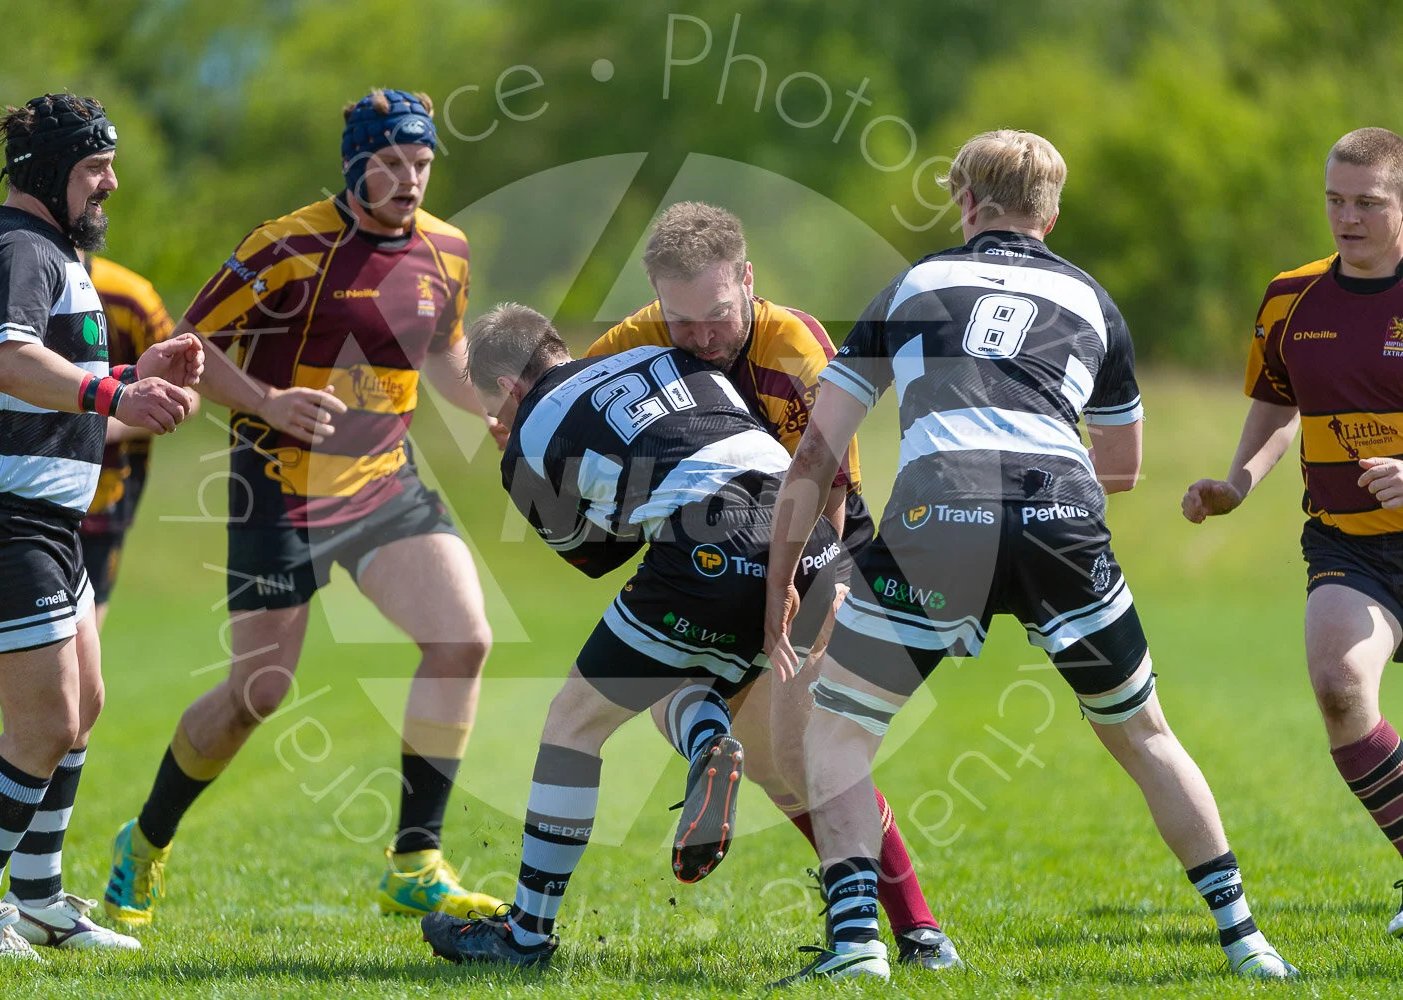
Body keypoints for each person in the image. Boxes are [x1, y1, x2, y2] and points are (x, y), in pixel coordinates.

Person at [764, 130, 1296, 983]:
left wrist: (785, 574)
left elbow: (816, 456)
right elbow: (1120, 469)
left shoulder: (911, 286)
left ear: (964, 202)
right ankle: (1247, 942)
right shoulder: (1093, 302)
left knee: (841, 729)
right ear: (1051, 212)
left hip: (936, 515)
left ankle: (859, 944)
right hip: (1062, 518)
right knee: (1144, 734)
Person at [103, 88, 503, 925]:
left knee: (463, 638)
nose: (409, 181)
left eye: (422, 165)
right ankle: (143, 844)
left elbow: (447, 352)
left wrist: (504, 413)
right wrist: (268, 402)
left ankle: (416, 860)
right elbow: (187, 348)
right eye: (391, 164)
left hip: (386, 485)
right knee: (258, 693)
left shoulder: (448, 251)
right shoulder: (288, 244)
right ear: (355, 165)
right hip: (278, 492)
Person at [585, 201, 956, 968]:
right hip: (716, 574)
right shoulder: (639, 339)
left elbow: (830, 495)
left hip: (824, 565)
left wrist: (782, 597)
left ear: (747, 282)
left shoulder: (795, 347)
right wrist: (518, 416)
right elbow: (572, 399)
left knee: (809, 752)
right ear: (657, 299)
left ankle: (913, 932)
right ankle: (910, 929)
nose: (700, 339)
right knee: (710, 721)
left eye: (717, 316)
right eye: (680, 322)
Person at [419, 304, 842, 968]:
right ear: (560, 348)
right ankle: (710, 743)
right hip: (805, 539)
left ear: (505, 389)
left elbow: (594, 556)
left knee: (573, 722)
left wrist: (533, 461)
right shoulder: (670, 357)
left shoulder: (529, 433)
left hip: (705, 548)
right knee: (678, 675)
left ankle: (526, 936)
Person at [0, 93, 201, 958]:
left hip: (39, 517)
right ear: (48, 174)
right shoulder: (19, 250)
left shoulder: (54, 252)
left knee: (81, 713)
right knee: (40, 725)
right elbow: (7, 361)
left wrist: (134, 382)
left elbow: (54, 403)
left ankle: (36, 900)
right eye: (93, 168)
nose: (109, 184)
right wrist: (114, 388)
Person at [1183, 127, 1403, 936]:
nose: (1348, 219)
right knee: (1341, 686)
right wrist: (1237, 481)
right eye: (1336, 202)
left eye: (1369, 204)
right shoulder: (1291, 297)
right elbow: (1280, 401)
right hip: (1349, 543)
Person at [79, 255, 180, 628]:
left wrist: (115, 422)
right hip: (23, 495)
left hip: (105, 496)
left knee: (79, 658)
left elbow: (189, 393)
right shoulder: (15, 290)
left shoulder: (130, 297)